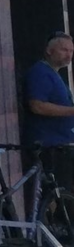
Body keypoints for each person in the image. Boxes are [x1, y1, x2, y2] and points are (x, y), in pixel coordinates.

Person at [21, 31, 74, 222]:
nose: (68, 55)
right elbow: (37, 105)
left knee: (58, 193)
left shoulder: (56, 75)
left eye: (71, 51)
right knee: (49, 194)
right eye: (63, 50)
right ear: (49, 51)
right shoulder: (40, 73)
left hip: (60, 143)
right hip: (46, 144)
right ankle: (47, 235)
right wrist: (71, 111)